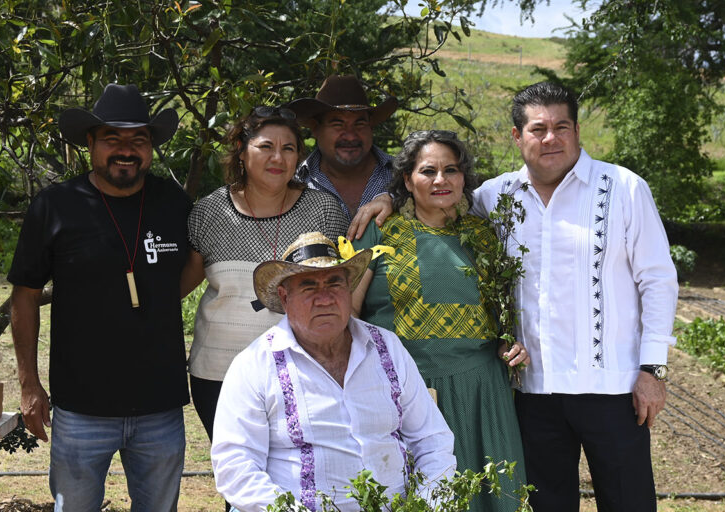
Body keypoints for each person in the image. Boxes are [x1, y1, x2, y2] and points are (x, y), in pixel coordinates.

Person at [472, 82, 678, 511]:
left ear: (578, 130)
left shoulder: (624, 188)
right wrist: (383, 199)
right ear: (517, 136)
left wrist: (652, 370)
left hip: (615, 390)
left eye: (561, 126)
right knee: (547, 506)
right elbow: (436, 212)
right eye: (538, 128)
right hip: (532, 393)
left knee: (629, 503)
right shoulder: (493, 198)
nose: (551, 138)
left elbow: (657, 279)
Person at [8, 84, 190, 511]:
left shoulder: (173, 203)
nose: (125, 150)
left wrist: (156, 298)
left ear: (150, 148)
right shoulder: (55, 205)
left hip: (160, 408)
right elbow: (24, 297)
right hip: (79, 410)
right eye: (113, 138)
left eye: (138, 140)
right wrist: (29, 384)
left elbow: (196, 266)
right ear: (90, 143)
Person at [210, 232, 456, 512]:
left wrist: (426, 505)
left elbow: (432, 441)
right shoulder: (254, 364)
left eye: (334, 283)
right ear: (284, 296)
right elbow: (236, 467)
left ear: (349, 289)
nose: (324, 298)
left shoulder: (387, 346)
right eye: (309, 287)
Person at [350, 130, 529, 512]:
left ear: (464, 178)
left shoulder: (485, 236)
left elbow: (502, 316)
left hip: (481, 392)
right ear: (406, 179)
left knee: (489, 497)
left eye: (451, 170)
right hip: (407, 392)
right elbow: (348, 313)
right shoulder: (379, 231)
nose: (440, 180)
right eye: (427, 170)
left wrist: (508, 341)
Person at [181, 106, 349, 443]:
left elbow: (344, 287)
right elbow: (180, 285)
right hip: (218, 373)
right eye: (265, 146)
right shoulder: (209, 212)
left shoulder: (325, 211)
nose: (278, 157)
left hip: (303, 371)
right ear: (241, 151)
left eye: (289, 149)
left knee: (300, 470)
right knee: (238, 477)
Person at [286, 74, 397, 226]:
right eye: (338, 124)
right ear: (315, 129)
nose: (351, 136)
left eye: (359, 124)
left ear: (371, 127)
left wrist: (395, 198)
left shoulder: (404, 176)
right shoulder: (293, 182)